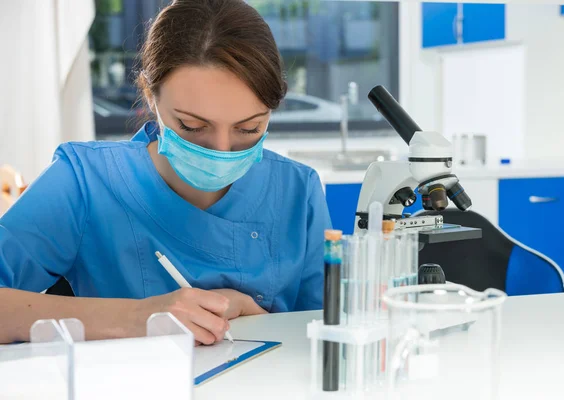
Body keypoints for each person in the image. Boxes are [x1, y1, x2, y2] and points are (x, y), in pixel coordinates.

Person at [0, 0, 331, 345]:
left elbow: (324, 337)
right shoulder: (84, 181)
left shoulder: (297, 191)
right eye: (191, 126)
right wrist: (138, 317)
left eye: (248, 129)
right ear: (149, 94)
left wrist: (256, 318)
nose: (219, 150)